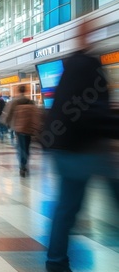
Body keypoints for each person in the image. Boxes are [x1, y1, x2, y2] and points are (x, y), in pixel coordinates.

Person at [44, 22, 119, 272]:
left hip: (64, 147)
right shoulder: (89, 65)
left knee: (66, 207)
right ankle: (56, 261)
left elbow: (64, 110)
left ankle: (55, 261)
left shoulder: (70, 66)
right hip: (87, 148)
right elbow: (92, 109)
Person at [2, 85, 36, 177]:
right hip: (28, 128)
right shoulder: (31, 102)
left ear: (18, 90)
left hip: (18, 128)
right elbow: (35, 114)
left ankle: (22, 166)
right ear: (26, 91)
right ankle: (25, 164)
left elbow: (8, 114)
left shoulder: (15, 102)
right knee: (27, 147)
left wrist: (6, 122)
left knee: (20, 147)